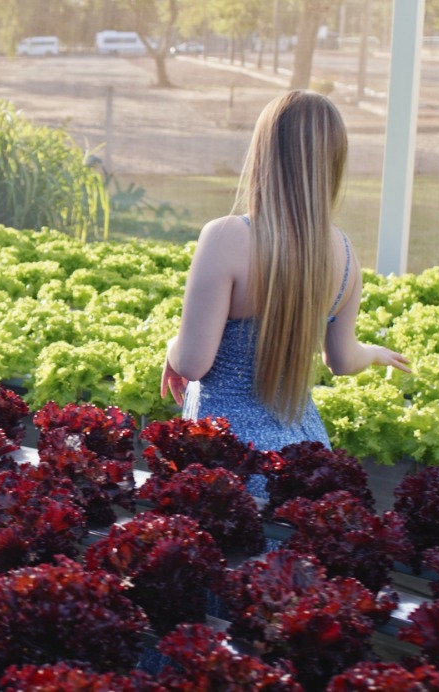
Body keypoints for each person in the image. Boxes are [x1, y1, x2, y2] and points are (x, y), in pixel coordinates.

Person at [161, 90, 410, 490]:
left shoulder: (226, 238)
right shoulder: (344, 254)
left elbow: (193, 364)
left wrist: (173, 347)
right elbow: (343, 360)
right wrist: (375, 354)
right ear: (333, 163)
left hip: (231, 468)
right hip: (306, 465)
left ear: (264, 153)